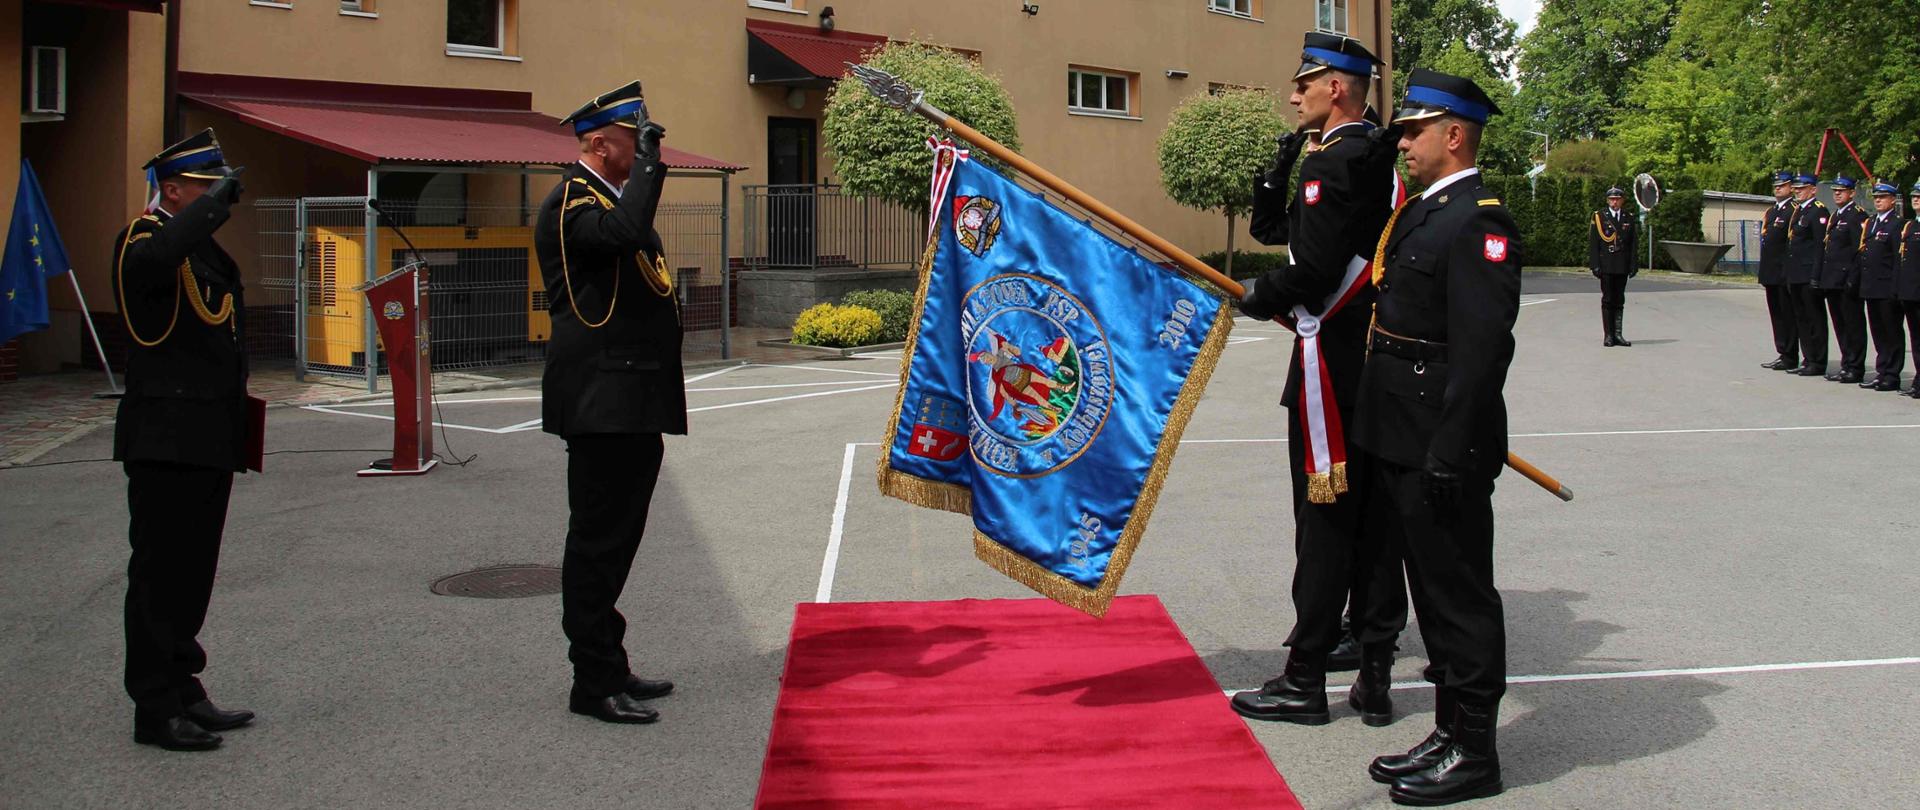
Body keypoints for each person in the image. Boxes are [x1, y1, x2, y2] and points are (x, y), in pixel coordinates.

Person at [1352, 69, 1522, 806]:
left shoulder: (1478, 220)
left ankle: (1476, 751)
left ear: (1453, 135)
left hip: (1440, 441)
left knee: (1458, 595)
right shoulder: (1428, 210)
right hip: (1401, 430)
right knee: (1430, 588)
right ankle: (1451, 729)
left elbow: (1483, 351)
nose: (1403, 144)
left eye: (1413, 131)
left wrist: (1452, 448)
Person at [1232, 32, 1406, 729]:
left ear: (1338, 88)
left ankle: (1304, 676)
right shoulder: (1350, 157)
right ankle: (1375, 670)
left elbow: (1312, 269)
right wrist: (1277, 168)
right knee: (1370, 523)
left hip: (1332, 365)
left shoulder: (1341, 161)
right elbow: (1277, 227)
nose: (1292, 94)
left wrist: (1256, 292)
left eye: (1304, 82)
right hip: (1365, 362)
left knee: (1326, 521)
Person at [535, 81, 684, 725]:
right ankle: (591, 682)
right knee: (596, 543)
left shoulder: (611, 201)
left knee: (618, 540)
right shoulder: (572, 201)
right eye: (635, 138)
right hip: (600, 400)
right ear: (600, 143)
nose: (646, 147)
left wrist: (643, 170)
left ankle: (611, 663)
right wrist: (651, 170)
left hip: (630, 398)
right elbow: (623, 235)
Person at [112, 128, 257, 751]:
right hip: (164, 433)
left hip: (207, 431)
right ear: (171, 190)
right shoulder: (142, 241)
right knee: (159, 574)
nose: (213, 197)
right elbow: (160, 256)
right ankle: (154, 706)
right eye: (202, 186)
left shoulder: (201, 250)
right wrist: (213, 206)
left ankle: (185, 687)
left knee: (194, 571)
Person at [1818, 176, 1869, 383]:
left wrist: (1853, 279)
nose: (1837, 193)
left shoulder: (1857, 216)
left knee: (1853, 325)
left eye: (1842, 190)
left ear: (1852, 193)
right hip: (1833, 280)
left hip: (1847, 281)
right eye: (1835, 190)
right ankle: (1846, 363)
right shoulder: (1835, 216)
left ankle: (1855, 367)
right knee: (1840, 325)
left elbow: (1860, 251)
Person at [1856, 181, 1906, 391]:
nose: (1878, 201)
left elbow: (1898, 259)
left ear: (1892, 200)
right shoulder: (1872, 222)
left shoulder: (1897, 224)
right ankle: (1882, 370)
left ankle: (1892, 374)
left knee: (1891, 331)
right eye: (1876, 197)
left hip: (1887, 288)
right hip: (1871, 287)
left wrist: (1896, 288)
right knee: (1877, 331)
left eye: (1882, 197)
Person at [1787, 173, 1830, 377]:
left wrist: (1816, 275)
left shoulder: (1818, 211)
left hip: (1808, 274)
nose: (1797, 191)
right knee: (1801, 318)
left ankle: (1818, 360)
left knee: (1814, 319)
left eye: (1801, 188)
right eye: (1795, 188)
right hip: (1795, 274)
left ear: (1813, 189)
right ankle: (1807, 358)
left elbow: (1820, 247)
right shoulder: (1799, 211)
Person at [1758, 171, 1800, 370]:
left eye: (1782, 185)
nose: (1777, 188)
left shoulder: (1793, 210)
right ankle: (1782, 351)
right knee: (1777, 315)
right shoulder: (1772, 211)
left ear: (1791, 187)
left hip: (1784, 273)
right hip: (1771, 273)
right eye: (1776, 186)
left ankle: (1790, 355)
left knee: (1787, 315)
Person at [1588, 187, 1637, 346]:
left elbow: (1633, 243)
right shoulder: (1600, 216)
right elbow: (1594, 243)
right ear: (1607, 201)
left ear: (1622, 200)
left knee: (1619, 299)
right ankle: (1608, 336)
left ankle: (1618, 334)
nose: (1614, 202)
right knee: (1608, 299)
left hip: (1622, 264)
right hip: (1607, 264)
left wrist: (1633, 264)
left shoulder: (1628, 217)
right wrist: (1595, 265)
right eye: (1612, 199)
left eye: (1617, 199)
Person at [1901, 182, 1920, 397]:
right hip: (1911, 292)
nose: (1915, 199)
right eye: (1914, 196)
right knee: (1916, 338)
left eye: (1919, 196)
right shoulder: (1911, 226)